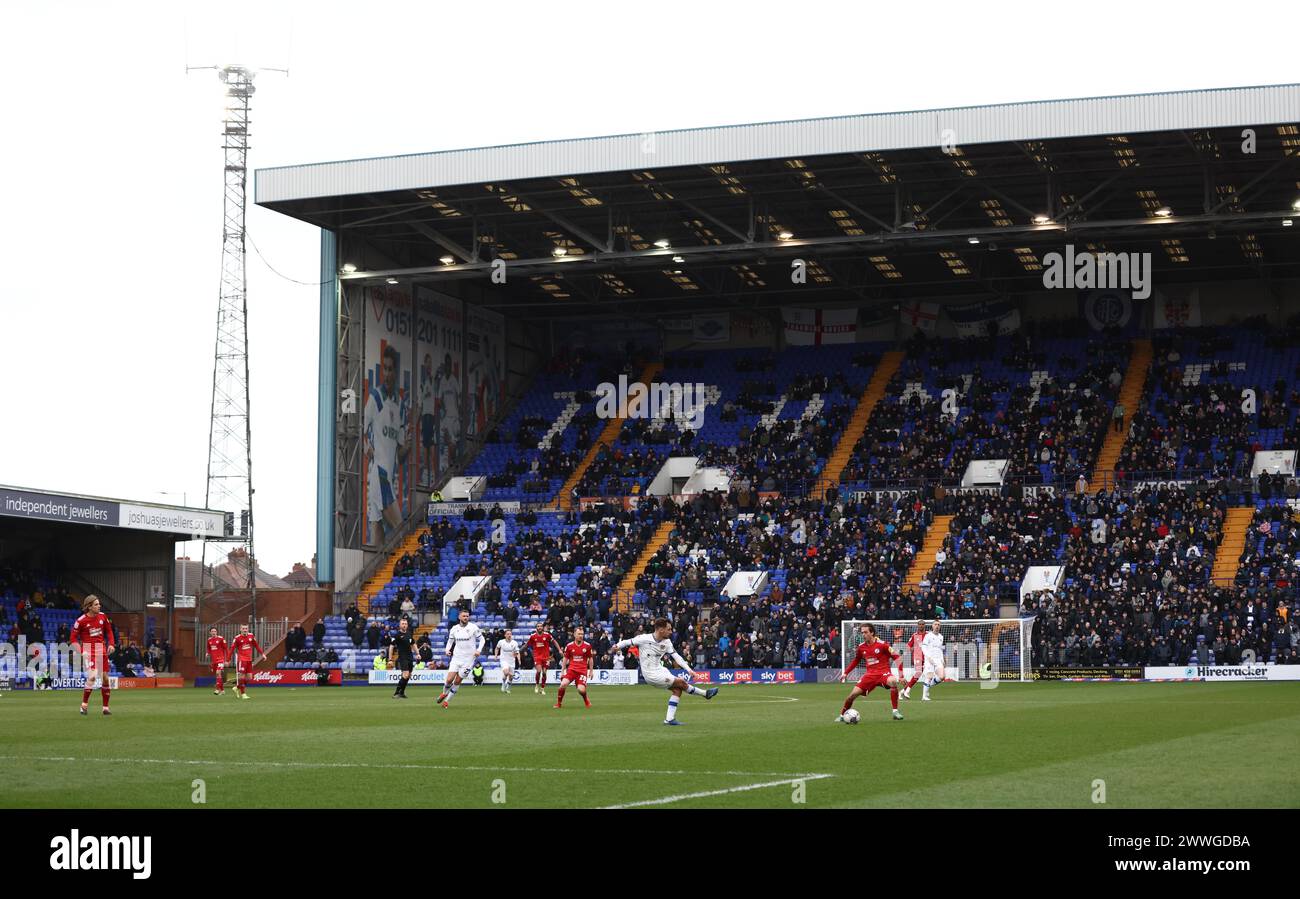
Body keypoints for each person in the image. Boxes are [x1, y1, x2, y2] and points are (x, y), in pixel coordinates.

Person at [611, 617, 718, 726]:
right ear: (661, 630)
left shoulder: (667, 642)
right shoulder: (644, 638)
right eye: (669, 629)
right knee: (681, 682)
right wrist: (616, 646)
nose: (671, 632)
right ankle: (705, 694)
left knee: (677, 690)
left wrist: (689, 670)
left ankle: (669, 719)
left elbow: (677, 657)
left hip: (660, 669)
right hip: (650, 674)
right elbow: (626, 642)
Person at [365, 344, 412, 540]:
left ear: (396, 372)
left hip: (388, 479)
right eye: (384, 368)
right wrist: (366, 447)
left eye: (390, 369)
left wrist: (408, 444)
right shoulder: (376, 397)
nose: (386, 373)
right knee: (401, 529)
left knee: (378, 540)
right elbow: (361, 427)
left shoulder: (400, 406)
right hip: (379, 476)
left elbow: (400, 457)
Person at [837, 623, 904, 722]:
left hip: (883, 673)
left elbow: (897, 658)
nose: (863, 635)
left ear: (872, 633)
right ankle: (842, 716)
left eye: (865, 632)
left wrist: (901, 676)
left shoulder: (883, 644)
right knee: (852, 695)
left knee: (893, 681)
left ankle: (895, 712)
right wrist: (845, 673)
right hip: (869, 675)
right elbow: (856, 661)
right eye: (862, 633)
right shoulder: (861, 647)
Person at [70, 595, 115, 716]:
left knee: (105, 678)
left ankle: (105, 708)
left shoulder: (103, 616)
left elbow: (109, 631)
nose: (99, 606)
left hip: (102, 651)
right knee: (93, 676)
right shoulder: (81, 621)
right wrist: (81, 651)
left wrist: (111, 644)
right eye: (96, 604)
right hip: (89, 651)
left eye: (99, 604)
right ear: (89, 607)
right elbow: (73, 639)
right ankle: (84, 705)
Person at [436, 608, 484, 709]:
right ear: (459, 617)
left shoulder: (473, 627)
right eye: (464, 616)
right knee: (449, 679)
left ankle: (447, 701)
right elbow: (450, 641)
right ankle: (444, 693)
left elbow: (482, 639)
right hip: (456, 657)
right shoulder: (454, 629)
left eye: (467, 616)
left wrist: (479, 650)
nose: (466, 618)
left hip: (468, 660)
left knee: (457, 681)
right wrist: (447, 650)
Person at [555, 624, 594, 710]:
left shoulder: (587, 646)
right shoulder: (569, 646)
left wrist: (591, 671)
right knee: (562, 684)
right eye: (579, 634)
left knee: (581, 690)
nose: (581, 636)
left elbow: (590, 658)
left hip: (582, 671)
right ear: (574, 634)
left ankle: (586, 700)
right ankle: (559, 703)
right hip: (571, 670)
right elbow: (565, 658)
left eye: (582, 634)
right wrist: (562, 671)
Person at [526, 622, 563, 695]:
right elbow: (527, 644)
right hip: (537, 656)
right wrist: (519, 651)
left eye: (541, 626)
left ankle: (542, 689)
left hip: (546, 657)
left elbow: (554, 642)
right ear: (536, 628)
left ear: (542, 627)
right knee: (539, 671)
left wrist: (559, 650)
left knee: (544, 673)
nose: (539, 627)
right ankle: (537, 685)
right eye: (538, 626)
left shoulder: (547, 635)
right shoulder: (533, 636)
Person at [231, 624, 265, 700]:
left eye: (246, 628)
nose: (245, 630)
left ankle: (237, 687)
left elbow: (256, 646)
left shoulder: (251, 636)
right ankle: (243, 694)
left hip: (249, 660)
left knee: (249, 678)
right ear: (240, 629)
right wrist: (228, 659)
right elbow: (232, 649)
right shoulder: (237, 638)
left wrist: (262, 654)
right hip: (242, 660)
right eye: (243, 628)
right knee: (242, 677)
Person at [387, 617, 415, 699]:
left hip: (410, 657)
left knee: (408, 675)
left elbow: (413, 644)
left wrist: (418, 654)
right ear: (399, 625)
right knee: (405, 674)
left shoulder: (409, 634)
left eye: (405, 624)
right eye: (403, 624)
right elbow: (391, 647)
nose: (404, 625)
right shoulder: (397, 635)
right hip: (403, 657)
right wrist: (390, 659)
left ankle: (402, 692)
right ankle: (396, 693)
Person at [899, 621, 926, 700]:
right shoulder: (915, 635)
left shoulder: (928, 635)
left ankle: (902, 692)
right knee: (918, 673)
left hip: (926, 657)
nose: (921, 626)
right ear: (917, 626)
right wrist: (904, 651)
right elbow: (908, 646)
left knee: (919, 675)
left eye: (922, 624)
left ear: (924, 625)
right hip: (917, 656)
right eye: (920, 624)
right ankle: (907, 691)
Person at [920, 619, 946, 700]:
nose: (937, 626)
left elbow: (940, 649)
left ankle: (928, 685)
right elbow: (923, 647)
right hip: (930, 659)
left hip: (938, 659)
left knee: (942, 676)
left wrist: (942, 659)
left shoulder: (941, 637)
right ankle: (924, 696)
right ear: (932, 626)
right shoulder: (928, 636)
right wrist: (928, 657)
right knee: (929, 676)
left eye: (938, 625)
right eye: (935, 624)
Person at [495, 628, 521, 694]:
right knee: (506, 672)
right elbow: (497, 648)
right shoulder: (501, 642)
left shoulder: (514, 643)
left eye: (510, 634)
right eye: (508, 634)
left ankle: (508, 687)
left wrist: (519, 659)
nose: (509, 635)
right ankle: (504, 683)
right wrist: (496, 655)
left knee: (511, 677)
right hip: (503, 660)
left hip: (511, 661)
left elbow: (517, 652)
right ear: (505, 635)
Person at [206, 626, 230, 696]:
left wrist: (227, 660)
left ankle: (217, 689)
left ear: (217, 632)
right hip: (214, 661)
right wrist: (207, 653)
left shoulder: (221, 639)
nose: (214, 632)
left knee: (218, 673)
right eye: (212, 631)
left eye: (215, 631)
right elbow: (208, 648)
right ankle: (222, 690)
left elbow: (226, 649)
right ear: (210, 632)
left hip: (220, 659)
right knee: (218, 675)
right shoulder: (209, 640)